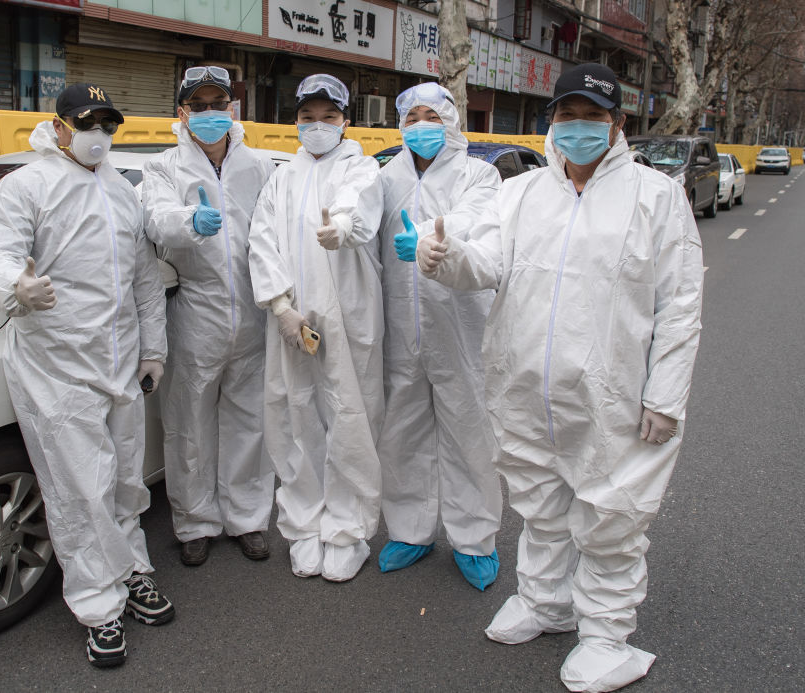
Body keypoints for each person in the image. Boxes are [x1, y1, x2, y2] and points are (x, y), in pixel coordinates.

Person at [416, 63, 703, 692]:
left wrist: (666, 396)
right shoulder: (521, 195)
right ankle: (546, 603)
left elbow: (680, 305)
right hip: (526, 388)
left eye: (592, 117)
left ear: (617, 124)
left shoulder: (656, 197)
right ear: (551, 122)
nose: (577, 129)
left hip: (616, 395)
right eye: (566, 116)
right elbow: (485, 264)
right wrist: (446, 258)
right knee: (541, 505)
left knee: (610, 515)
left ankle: (606, 635)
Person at [0, 83, 175, 668]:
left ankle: (133, 570)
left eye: (108, 126)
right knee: (79, 490)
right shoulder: (27, 185)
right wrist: (16, 287)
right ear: (58, 125)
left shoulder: (120, 189)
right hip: (55, 367)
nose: (98, 136)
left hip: (119, 361)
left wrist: (153, 350)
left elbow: (143, 279)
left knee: (126, 480)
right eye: (87, 124)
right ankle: (98, 607)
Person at [247, 74, 385, 582]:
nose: (318, 126)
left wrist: (341, 228)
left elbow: (360, 210)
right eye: (309, 117)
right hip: (294, 319)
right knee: (293, 416)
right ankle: (304, 525)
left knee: (350, 417)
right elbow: (261, 241)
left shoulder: (362, 168)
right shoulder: (282, 177)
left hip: (348, 317)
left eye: (329, 117)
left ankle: (348, 532)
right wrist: (280, 305)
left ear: (346, 121)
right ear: (296, 121)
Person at [142, 66, 276, 567]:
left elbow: (274, 236)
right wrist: (188, 222)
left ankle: (248, 518)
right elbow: (154, 220)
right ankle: (195, 521)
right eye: (198, 105)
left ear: (232, 108)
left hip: (252, 312)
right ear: (181, 113)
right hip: (195, 310)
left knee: (249, 422)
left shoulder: (259, 168)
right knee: (189, 423)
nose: (210, 113)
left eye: (218, 103)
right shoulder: (164, 168)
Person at [376, 82, 503, 590]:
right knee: (402, 434)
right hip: (400, 327)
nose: (422, 125)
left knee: (469, 434)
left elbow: (475, 224)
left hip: (461, 325)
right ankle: (410, 530)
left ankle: (474, 538)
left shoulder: (481, 174)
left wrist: (428, 234)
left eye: (433, 115)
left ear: (451, 119)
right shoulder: (385, 178)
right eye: (412, 118)